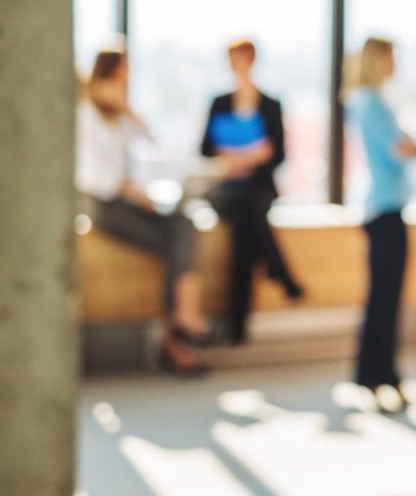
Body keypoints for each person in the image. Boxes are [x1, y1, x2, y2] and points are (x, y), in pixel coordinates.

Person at [77, 47, 210, 376]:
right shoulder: (86, 114)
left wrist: (127, 110)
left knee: (182, 228)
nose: (127, 78)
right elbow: (90, 176)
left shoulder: (117, 114)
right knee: (178, 241)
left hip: (128, 199)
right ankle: (179, 331)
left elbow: (152, 142)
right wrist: (131, 190)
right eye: (123, 71)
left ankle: (181, 322)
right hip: (104, 205)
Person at [200, 39, 303, 345]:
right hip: (227, 189)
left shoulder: (270, 105)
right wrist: (249, 156)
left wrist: (242, 157)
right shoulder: (219, 102)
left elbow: (278, 153)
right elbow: (206, 148)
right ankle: (278, 270)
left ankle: (237, 327)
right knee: (249, 213)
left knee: (246, 232)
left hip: (257, 189)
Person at [344, 37, 416, 412]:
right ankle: (381, 375)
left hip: (377, 207)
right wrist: (413, 145)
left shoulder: (361, 102)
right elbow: (398, 151)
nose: (397, 64)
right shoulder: (373, 104)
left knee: (381, 297)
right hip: (386, 208)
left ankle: (378, 374)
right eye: (392, 57)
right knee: (385, 299)